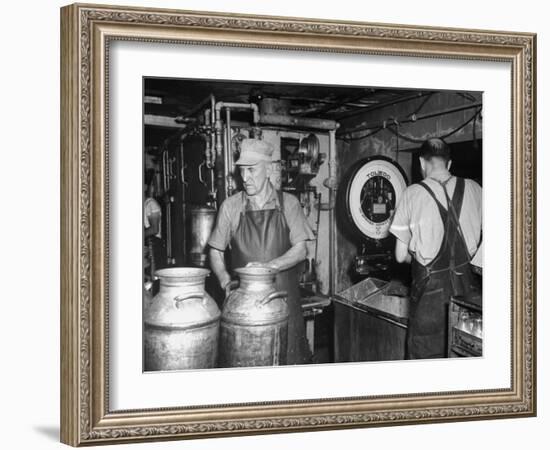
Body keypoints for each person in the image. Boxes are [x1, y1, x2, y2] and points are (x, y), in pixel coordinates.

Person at [208, 138, 314, 365]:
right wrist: (225, 280)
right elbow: (215, 250)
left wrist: (266, 268)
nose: (245, 178)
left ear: (269, 169)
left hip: (284, 305)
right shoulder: (231, 206)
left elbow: (300, 250)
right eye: (242, 171)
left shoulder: (289, 204)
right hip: (246, 311)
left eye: (252, 170)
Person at [389, 138, 482, 359]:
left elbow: (400, 256)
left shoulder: (411, 194)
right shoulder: (475, 188)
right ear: (449, 164)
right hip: (469, 296)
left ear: (422, 163)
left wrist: (422, 257)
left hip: (428, 300)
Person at [144, 172, 166, 278]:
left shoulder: (151, 204)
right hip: (148, 245)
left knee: (154, 278)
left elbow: (154, 229)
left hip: (154, 245)